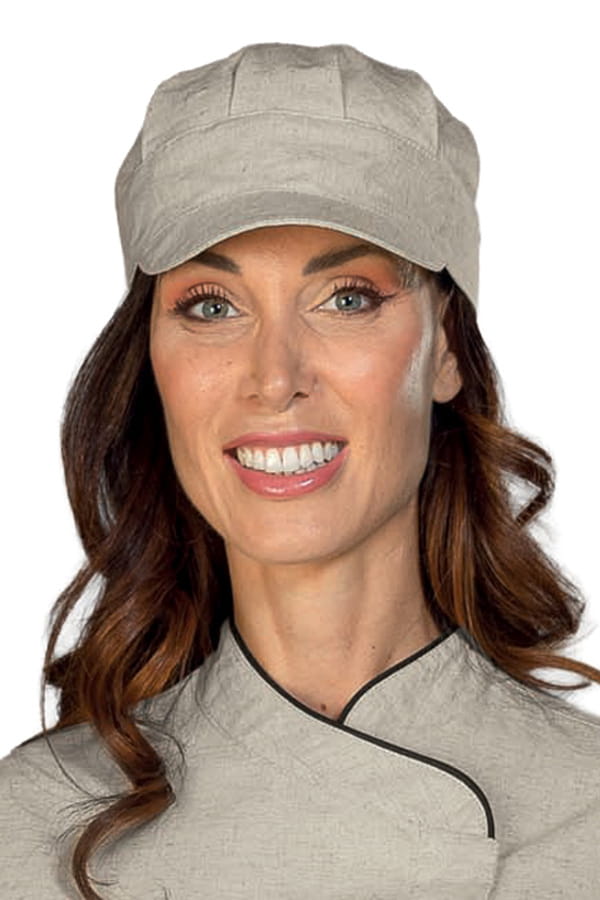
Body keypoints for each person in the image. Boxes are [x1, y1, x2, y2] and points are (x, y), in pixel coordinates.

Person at [1, 41, 599, 900]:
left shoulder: (588, 809)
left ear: (445, 349)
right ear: (152, 361)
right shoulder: (28, 832)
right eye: (212, 306)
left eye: (347, 298)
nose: (275, 377)